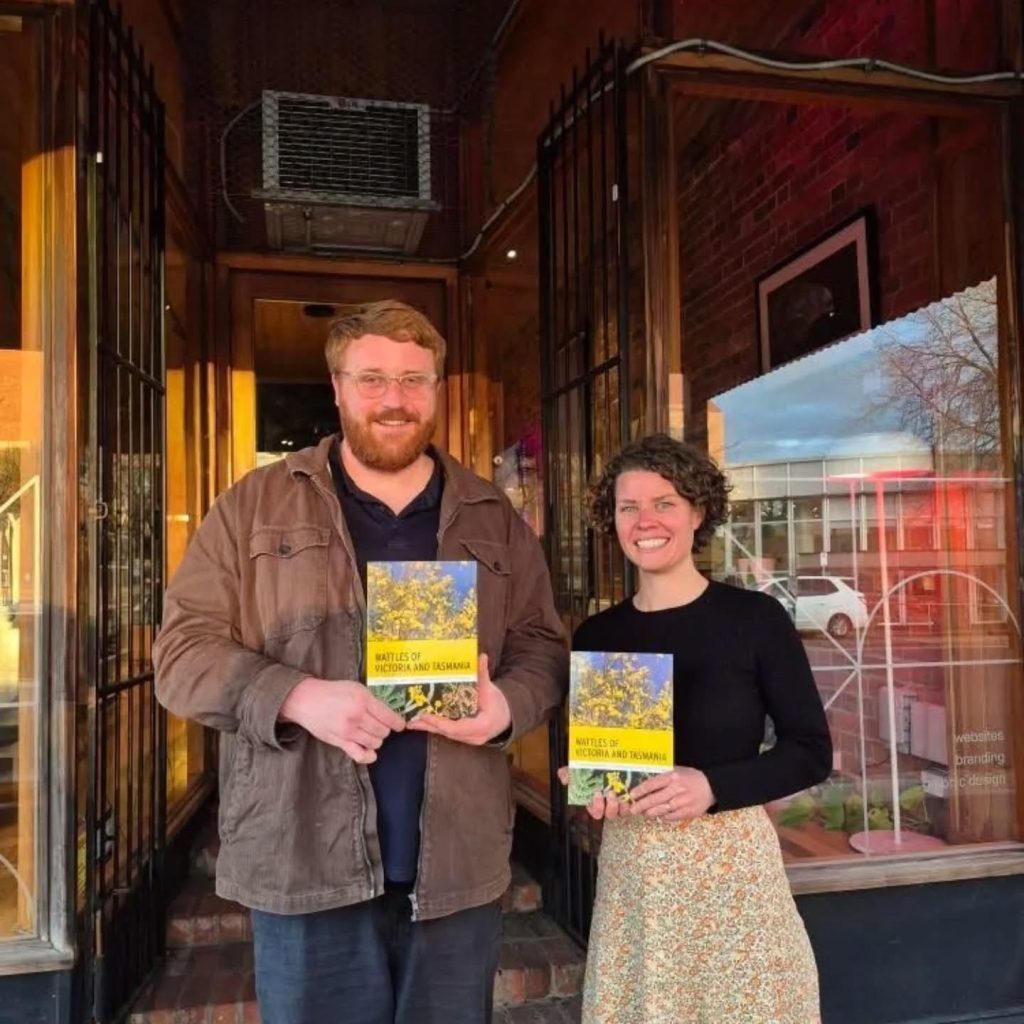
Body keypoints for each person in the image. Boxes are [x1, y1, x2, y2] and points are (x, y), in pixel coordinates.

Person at [153, 300, 567, 1024]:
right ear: (338, 389)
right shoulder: (254, 505)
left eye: (414, 380)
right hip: (304, 854)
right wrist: (295, 695)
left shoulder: (493, 514)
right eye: (372, 379)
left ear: (437, 391)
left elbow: (541, 646)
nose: (395, 400)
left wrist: (505, 706)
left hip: (456, 860)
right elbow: (181, 654)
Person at [567, 433, 832, 1024]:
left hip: (731, 874)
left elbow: (810, 753)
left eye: (664, 502)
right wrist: (592, 784)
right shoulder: (597, 637)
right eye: (627, 507)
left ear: (698, 511)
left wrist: (711, 786)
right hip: (635, 876)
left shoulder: (755, 620)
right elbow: (607, 765)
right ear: (611, 521)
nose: (645, 521)